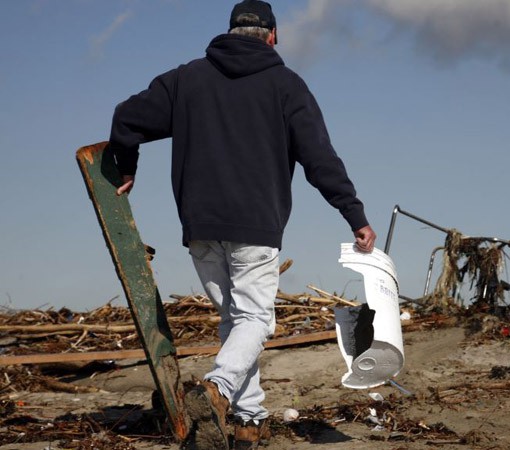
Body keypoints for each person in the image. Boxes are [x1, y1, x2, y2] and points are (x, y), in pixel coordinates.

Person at [107, 1, 376, 448]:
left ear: (230, 32)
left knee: (236, 322)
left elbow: (126, 116)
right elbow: (320, 159)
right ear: (273, 36)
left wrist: (126, 165)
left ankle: (248, 422)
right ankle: (217, 389)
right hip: (255, 224)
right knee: (255, 319)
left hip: (200, 223)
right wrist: (354, 215)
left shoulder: (186, 78)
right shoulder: (286, 85)